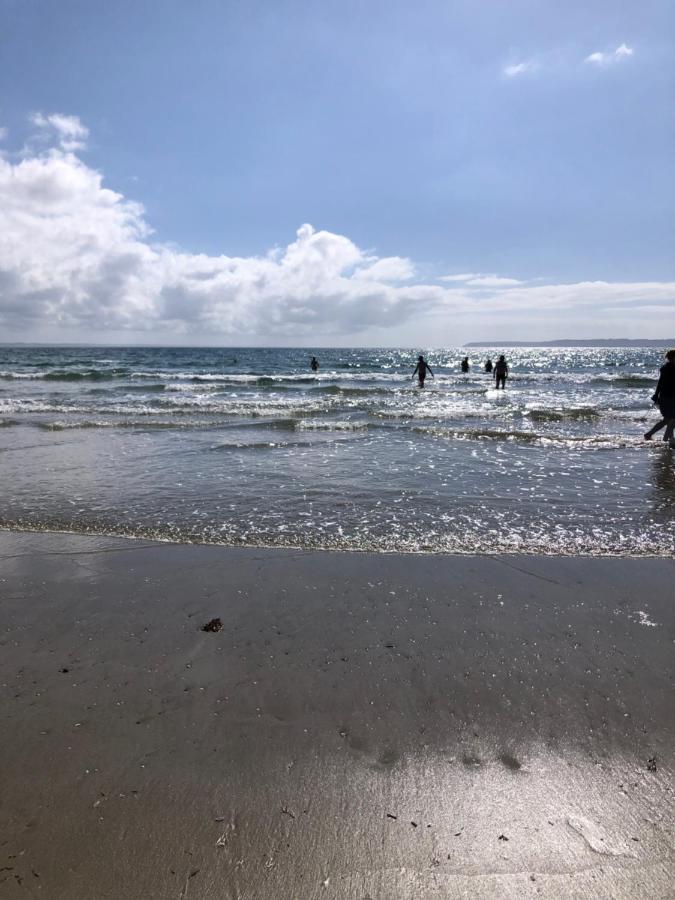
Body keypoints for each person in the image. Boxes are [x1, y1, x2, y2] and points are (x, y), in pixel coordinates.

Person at [644, 349, 675, 446]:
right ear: (672, 358)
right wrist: (656, 395)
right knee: (672, 419)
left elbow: (660, 383)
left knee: (668, 419)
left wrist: (656, 395)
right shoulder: (667, 369)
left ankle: (649, 434)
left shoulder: (667, 368)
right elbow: (661, 383)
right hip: (668, 397)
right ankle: (667, 440)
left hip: (668, 397)